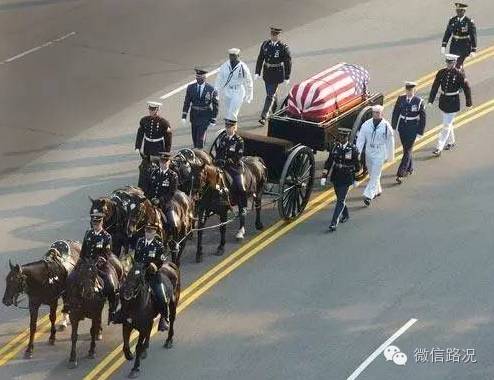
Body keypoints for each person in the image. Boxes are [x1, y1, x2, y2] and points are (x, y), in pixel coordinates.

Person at [428, 54, 472, 157]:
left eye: (451, 63)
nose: (448, 65)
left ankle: (439, 147)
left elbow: (467, 88)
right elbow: (435, 86)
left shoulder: (459, 74)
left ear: (455, 63)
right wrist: (431, 100)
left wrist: (468, 102)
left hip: (453, 102)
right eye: (447, 62)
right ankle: (451, 141)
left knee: (446, 125)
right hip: (443, 101)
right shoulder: (441, 73)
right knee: (448, 124)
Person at [80, 211, 118, 324]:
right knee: (72, 278)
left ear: (102, 223)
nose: (96, 225)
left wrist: (98, 262)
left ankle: (112, 309)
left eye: (98, 223)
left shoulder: (106, 236)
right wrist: (82, 260)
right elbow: (83, 249)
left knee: (110, 284)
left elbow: (106, 253)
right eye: (94, 223)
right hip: (87, 263)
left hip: (101, 265)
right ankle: (70, 304)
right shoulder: (88, 234)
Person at [212, 119, 246, 239]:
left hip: (234, 168)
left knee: (240, 187)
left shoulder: (239, 140)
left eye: (230, 127)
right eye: (226, 126)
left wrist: (231, 160)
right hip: (222, 166)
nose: (228, 128)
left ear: (235, 127)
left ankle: (242, 210)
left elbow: (239, 155)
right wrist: (217, 160)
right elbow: (219, 151)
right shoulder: (223, 138)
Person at [321, 128, 360, 232]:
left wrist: (356, 179)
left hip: (347, 177)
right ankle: (346, 214)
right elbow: (329, 162)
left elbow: (357, 165)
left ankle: (334, 223)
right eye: (340, 136)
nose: (342, 138)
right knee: (340, 198)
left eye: (344, 137)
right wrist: (324, 176)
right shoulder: (335, 147)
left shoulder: (353, 149)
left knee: (340, 200)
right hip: (336, 176)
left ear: (347, 137)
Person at [356, 105, 395, 206]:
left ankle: (368, 195)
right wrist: (357, 153)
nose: (376, 114)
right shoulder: (366, 124)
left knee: (375, 174)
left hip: (380, 152)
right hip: (369, 152)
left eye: (378, 113)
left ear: (382, 114)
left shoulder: (386, 126)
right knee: (372, 173)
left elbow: (390, 142)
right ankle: (377, 190)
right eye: (374, 112)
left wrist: (390, 156)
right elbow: (361, 139)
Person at [134, 222, 170, 331]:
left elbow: (162, 259)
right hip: (140, 273)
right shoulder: (140, 242)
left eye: (150, 232)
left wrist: (155, 265)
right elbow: (136, 257)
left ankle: (165, 317)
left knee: (161, 294)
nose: (148, 234)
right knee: (127, 288)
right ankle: (122, 313)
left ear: (154, 232)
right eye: (146, 231)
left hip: (153, 275)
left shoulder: (158, 245)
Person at [255, 26, 292, 126]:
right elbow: (260, 58)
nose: (274, 36)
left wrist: (287, 76)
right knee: (271, 93)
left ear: (279, 36)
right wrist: (257, 72)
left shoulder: (283, 47)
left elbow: (288, 62)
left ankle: (264, 116)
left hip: (276, 72)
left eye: (276, 35)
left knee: (269, 95)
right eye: (272, 34)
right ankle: (275, 109)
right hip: (267, 72)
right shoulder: (265, 45)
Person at [391, 81, 426, 183]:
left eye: (411, 90)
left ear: (414, 90)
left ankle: (401, 173)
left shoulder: (418, 101)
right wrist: (393, 126)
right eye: (407, 90)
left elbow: (423, 118)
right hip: (402, 126)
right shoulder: (401, 99)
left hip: (412, 127)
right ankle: (410, 168)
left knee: (407, 150)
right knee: (406, 148)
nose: (409, 92)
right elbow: (396, 112)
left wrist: (420, 132)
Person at [181, 68, 219, 149]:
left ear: (204, 78)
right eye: (197, 77)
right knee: (195, 138)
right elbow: (187, 102)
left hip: (205, 116)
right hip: (194, 115)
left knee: (200, 139)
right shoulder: (191, 87)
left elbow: (215, 105)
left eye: (200, 77)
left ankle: (200, 152)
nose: (198, 79)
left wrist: (213, 119)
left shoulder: (211, 89)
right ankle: (197, 152)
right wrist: (184, 116)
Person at [142, 152, 178, 234]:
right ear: (159, 162)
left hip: (165, 204)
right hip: (151, 203)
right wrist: (150, 198)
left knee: (172, 223)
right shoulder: (153, 173)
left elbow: (172, 193)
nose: (163, 164)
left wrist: (160, 200)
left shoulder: (173, 176)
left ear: (169, 162)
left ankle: (173, 240)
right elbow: (147, 188)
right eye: (162, 162)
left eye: (165, 162)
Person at [215, 48, 253, 122]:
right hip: (228, 91)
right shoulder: (225, 66)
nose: (232, 57)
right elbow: (219, 79)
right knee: (228, 112)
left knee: (232, 113)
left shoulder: (243, 67)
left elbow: (249, 81)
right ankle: (232, 129)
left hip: (238, 92)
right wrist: (216, 91)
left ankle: (231, 131)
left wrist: (249, 95)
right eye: (230, 55)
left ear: (238, 55)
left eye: (234, 55)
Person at [441, 2, 477, 70]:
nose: (458, 13)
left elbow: (473, 36)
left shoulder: (469, 22)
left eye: (460, 11)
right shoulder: (452, 20)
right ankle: (462, 79)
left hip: (464, 46)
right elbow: (448, 33)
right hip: (454, 45)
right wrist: (444, 45)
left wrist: (473, 50)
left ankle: (462, 79)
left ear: (464, 11)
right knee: (453, 64)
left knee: (457, 65)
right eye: (457, 11)